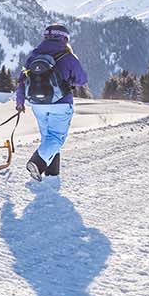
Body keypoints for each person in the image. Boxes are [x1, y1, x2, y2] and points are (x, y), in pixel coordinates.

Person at [15, 23, 88, 181]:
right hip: (61, 103)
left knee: (48, 137)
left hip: (37, 104)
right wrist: (69, 81)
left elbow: (21, 82)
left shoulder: (33, 57)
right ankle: (37, 163)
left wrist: (20, 101)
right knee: (56, 138)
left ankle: (52, 173)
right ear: (64, 39)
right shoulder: (68, 57)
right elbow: (82, 79)